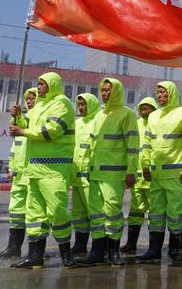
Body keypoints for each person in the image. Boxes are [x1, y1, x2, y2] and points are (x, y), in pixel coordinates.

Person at [9, 72, 76, 269]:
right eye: (38, 84)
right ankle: (34, 256)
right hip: (35, 169)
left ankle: (67, 255)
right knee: (34, 215)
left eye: (42, 84)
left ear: (52, 84)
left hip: (54, 169)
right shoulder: (39, 106)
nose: (38, 87)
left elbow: (52, 130)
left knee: (57, 212)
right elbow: (25, 126)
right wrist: (18, 117)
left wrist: (23, 131)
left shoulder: (62, 104)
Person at [136, 81, 182, 263]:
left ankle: (174, 250)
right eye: (158, 93)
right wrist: (145, 165)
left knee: (175, 213)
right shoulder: (154, 117)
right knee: (155, 213)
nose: (160, 96)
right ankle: (154, 249)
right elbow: (147, 144)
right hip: (156, 175)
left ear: (171, 94)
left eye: (163, 93)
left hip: (176, 175)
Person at [79, 78, 139, 267]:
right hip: (96, 174)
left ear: (117, 92)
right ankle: (97, 251)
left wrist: (131, 171)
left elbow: (132, 146)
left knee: (112, 212)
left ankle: (113, 251)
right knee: (96, 213)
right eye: (103, 91)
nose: (104, 94)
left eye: (108, 91)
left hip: (115, 175)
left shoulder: (126, 114)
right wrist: (89, 168)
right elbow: (91, 145)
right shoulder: (98, 115)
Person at [0, 87, 38, 259]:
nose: (30, 101)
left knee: (36, 215)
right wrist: (11, 169)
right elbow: (15, 149)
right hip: (19, 177)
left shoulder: (39, 120)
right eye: (28, 99)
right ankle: (13, 248)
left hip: (34, 175)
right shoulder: (22, 120)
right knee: (16, 213)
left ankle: (37, 251)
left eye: (33, 99)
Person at [121, 97, 158, 254]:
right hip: (137, 176)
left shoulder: (158, 125)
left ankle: (153, 247)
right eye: (142, 108)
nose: (144, 111)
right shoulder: (134, 125)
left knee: (155, 213)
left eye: (147, 108)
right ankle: (131, 244)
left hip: (152, 176)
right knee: (135, 212)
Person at [69, 93, 100, 257]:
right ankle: (80, 245)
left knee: (94, 213)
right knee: (78, 214)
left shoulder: (98, 122)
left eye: (84, 104)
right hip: (76, 178)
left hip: (90, 178)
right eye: (79, 104)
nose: (81, 107)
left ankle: (98, 247)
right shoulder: (77, 123)